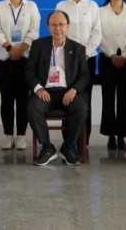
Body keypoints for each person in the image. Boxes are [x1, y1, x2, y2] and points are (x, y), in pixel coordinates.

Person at [26, 11, 90, 166]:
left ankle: (69, 147)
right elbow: (29, 71)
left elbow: (85, 75)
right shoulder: (38, 45)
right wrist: (38, 88)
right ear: (48, 27)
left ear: (68, 26)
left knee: (81, 107)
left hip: (68, 91)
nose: (58, 28)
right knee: (33, 108)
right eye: (53, 25)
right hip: (45, 91)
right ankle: (47, 147)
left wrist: (74, 90)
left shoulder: (78, 48)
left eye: (61, 24)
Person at [0, 0, 40, 151]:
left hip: (25, 58)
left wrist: (21, 48)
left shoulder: (31, 6)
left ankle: (21, 135)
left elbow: (34, 31)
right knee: (6, 98)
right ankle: (8, 134)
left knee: (23, 98)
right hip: (5, 58)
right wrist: (10, 48)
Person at [55, 0, 101, 142]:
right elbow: (58, 31)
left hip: (88, 58)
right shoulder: (61, 5)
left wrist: (85, 53)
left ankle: (83, 138)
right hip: (65, 59)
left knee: (85, 97)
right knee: (66, 95)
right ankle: (68, 138)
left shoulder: (92, 5)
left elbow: (97, 32)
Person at [98, 0, 126, 151]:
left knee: (123, 97)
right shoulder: (100, 11)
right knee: (108, 98)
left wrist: (125, 54)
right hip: (107, 59)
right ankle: (110, 135)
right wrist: (112, 54)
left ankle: (122, 134)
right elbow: (98, 35)